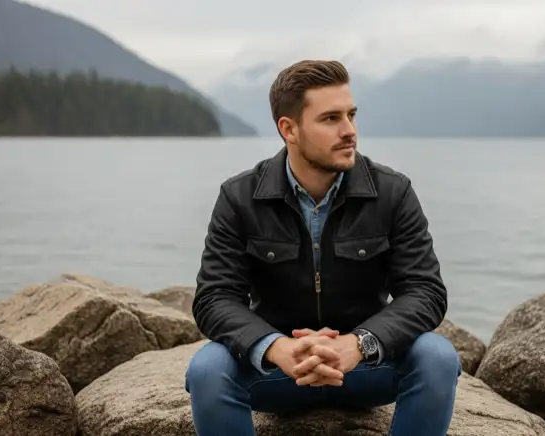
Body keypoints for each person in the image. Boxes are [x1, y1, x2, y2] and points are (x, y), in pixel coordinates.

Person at [185, 59, 461, 436]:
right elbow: (214, 297)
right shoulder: (240, 197)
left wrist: (359, 344)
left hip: (365, 367)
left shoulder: (392, 192)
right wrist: (275, 347)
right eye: (331, 119)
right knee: (207, 369)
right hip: (278, 371)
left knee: (438, 357)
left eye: (351, 115)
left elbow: (425, 291)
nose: (349, 131)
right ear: (289, 129)